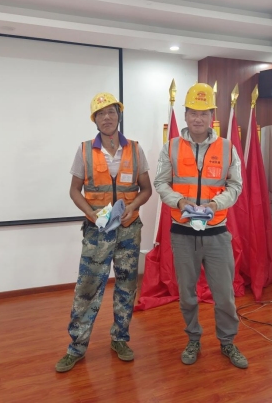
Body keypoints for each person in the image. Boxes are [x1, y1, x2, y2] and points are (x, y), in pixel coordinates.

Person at [55, 92, 152, 373]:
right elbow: (75, 190)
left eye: (111, 112)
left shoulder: (135, 149)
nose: (106, 118)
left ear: (118, 115)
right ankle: (76, 347)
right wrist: (92, 214)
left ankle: (120, 339)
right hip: (97, 232)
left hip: (128, 230)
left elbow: (146, 189)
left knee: (126, 286)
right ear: (94, 120)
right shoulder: (85, 150)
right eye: (101, 114)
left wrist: (132, 207)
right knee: (87, 287)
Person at [153, 83, 248, 369]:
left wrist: (214, 205)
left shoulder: (227, 147)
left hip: (216, 232)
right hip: (182, 233)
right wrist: (180, 202)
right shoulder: (170, 147)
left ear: (212, 117)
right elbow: (161, 183)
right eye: (193, 112)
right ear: (185, 115)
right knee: (187, 294)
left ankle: (227, 342)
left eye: (204, 113)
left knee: (224, 295)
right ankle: (193, 338)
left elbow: (236, 186)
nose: (198, 118)